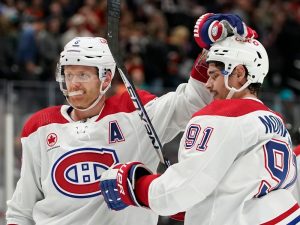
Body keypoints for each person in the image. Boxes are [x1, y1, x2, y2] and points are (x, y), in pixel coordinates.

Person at [6, 13, 256, 225]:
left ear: (105, 79)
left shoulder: (135, 111)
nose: (73, 84)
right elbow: (22, 207)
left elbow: (192, 100)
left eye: (82, 75)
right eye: (69, 74)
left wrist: (215, 46)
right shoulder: (39, 126)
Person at [99, 35, 300, 224]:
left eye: (213, 75)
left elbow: (179, 191)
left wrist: (133, 185)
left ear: (239, 73)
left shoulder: (222, 115)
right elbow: (237, 187)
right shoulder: (276, 122)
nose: (208, 84)